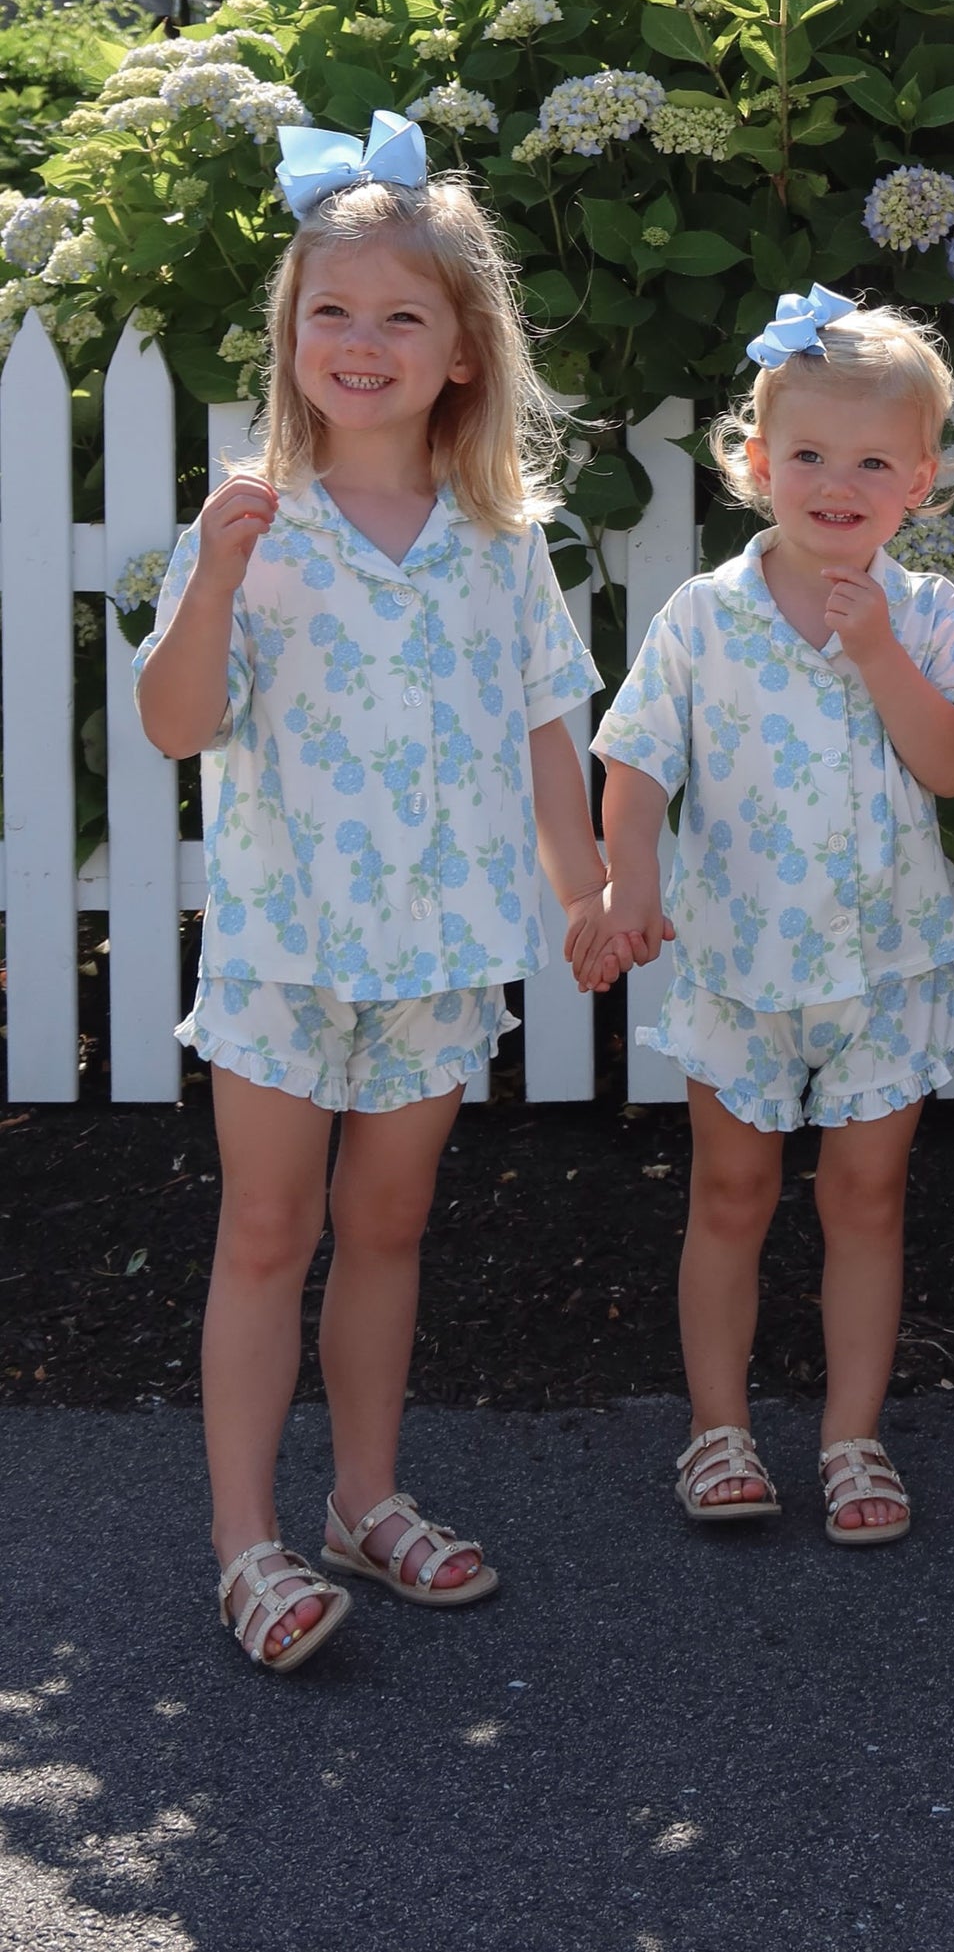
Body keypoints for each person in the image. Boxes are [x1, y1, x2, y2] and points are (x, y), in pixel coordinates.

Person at [136, 117, 607, 1671]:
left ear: (464, 352)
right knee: (268, 1228)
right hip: (286, 948)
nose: (363, 340)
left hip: (440, 950)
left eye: (403, 314)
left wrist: (588, 890)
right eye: (330, 310)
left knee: (388, 1224)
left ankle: (360, 1498)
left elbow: (544, 732)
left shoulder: (497, 542)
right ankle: (243, 1540)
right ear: (291, 338)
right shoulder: (251, 527)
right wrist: (214, 579)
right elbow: (176, 724)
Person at [573, 287, 954, 1546]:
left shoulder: (925, 612)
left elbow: (952, 767)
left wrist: (881, 655)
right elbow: (636, 759)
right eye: (807, 454)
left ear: (918, 481)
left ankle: (852, 1436)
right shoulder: (705, 615)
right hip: (738, 963)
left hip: (884, 969)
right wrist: (629, 880)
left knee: (866, 1202)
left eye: (871, 462)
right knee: (731, 1193)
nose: (835, 484)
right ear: (756, 463)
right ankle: (719, 1428)